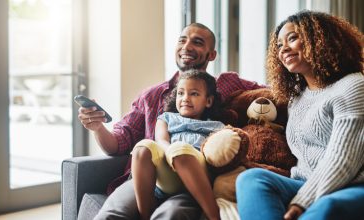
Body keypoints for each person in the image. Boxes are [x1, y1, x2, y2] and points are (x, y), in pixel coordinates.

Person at [78, 23, 262, 219]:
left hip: (192, 179)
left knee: (171, 214)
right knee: (110, 215)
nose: (186, 46)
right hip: (146, 178)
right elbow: (117, 143)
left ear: (211, 55)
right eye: (182, 40)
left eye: (197, 42)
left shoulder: (227, 84)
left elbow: (272, 95)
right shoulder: (151, 95)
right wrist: (97, 127)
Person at [236, 10, 364, 220]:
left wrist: (302, 202)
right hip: (304, 183)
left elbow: (343, 160)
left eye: (292, 38)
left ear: (320, 40)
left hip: (352, 184)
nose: (283, 49)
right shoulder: (297, 98)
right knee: (251, 179)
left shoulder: (353, 86)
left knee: (326, 206)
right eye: (278, 45)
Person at [132, 69, 224, 220]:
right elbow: (161, 141)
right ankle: (145, 216)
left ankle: (214, 216)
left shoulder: (217, 126)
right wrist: (171, 153)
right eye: (181, 93)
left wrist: (178, 151)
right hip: (169, 173)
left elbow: (221, 150)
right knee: (142, 148)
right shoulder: (166, 118)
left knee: (180, 150)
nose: (185, 98)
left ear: (208, 101)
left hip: (198, 172)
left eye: (194, 94)